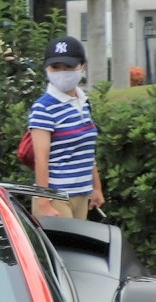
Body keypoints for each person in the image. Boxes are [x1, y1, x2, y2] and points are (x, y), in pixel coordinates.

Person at [28, 35, 104, 220]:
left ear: (82, 66)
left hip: (81, 194)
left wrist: (96, 188)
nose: (62, 72)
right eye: (56, 67)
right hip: (55, 198)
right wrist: (43, 202)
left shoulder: (84, 102)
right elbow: (41, 159)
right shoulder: (43, 107)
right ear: (47, 68)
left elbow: (87, 152)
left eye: (69, 67)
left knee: (76, 248)